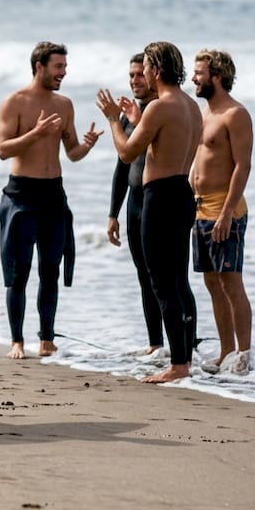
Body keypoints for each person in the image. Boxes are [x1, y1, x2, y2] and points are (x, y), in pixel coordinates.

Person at [96, 41, 201, 383]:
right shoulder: (191, 106)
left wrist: (114, 120)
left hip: (159, 197)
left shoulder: (159, 107)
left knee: (161, 282)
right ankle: (185, 357)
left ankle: (178, 365)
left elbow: (127, 153)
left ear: (156, 70)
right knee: (177, 280)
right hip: (183, 194)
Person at [0, 41, 103, 360]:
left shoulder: (65, 104)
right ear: (39, 66)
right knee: (20, 271)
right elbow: (3, 150)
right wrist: (36, 134)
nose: (63, 72)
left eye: (65, 67)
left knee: (50, 269)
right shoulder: (14, 102)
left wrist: (86, 145)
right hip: (21, 194)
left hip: (53, 194)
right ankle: (17, 340)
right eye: (58, 67)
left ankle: (46, 338)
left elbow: (71, 153)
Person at [190, 49, 255, 375]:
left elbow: (243, 166)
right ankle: (225, 350)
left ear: (216, 75)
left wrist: (228, 213)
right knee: (212, 283)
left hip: (225, 210)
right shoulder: (203, 113)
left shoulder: (235, 114)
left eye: (199, 73)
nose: (193, 78)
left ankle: (243, 354)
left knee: (231, 283)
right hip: (200, 210)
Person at [106, 53, 164, 355]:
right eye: (131, 75)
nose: (134, 80)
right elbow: (122, 166)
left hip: (158, 201)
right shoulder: (131, 117)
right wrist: (113, 213)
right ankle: (156, 344)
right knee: (144, 275)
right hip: (134, 203)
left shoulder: (158, 113)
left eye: (140, 74)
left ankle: (181, 347)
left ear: (154, 75)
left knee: (165, 276)